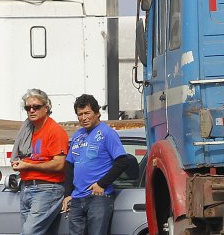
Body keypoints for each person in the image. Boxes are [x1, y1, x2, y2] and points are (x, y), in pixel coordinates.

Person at [61, 94, 135, 235]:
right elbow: (69, 165)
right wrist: (68, 194)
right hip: (76, 198)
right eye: (80, 114)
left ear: (97, 113)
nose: (84, 118)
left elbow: (122, 161)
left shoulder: (107, 133)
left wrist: (102, 184)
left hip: (98, 198)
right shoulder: (77, 135)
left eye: (87, 113)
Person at [11, 88, 69, 235]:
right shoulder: (28, 130)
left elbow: (59, 164)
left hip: (47, 188)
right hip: (26, 187)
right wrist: (19, 164)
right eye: (28, 107)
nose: (31, 110)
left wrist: (28, 165)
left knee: (29, 232)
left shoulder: (55, 131)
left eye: (36, 107)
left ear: (46, 108)